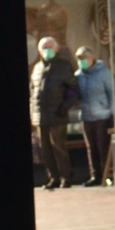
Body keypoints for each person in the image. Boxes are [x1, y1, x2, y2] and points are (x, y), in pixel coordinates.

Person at [31, 38, 78, 189]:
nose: (47, 49)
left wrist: (64, 108)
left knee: (59, 148)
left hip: (57, 115)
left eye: (50, 46)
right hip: (40, 117)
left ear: (56, 49)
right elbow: (33, 91)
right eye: (44, 47)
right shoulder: (37, 68)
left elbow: (73, 90)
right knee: (45, 150)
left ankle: (66, 177)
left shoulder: (63, 66)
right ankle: (53, 178)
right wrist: (33, 112)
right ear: (39, 51)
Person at [75, 45, 115, 186]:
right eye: (79, 59)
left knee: (103, 146)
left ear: (91, 58)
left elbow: (113, 93)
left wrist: (113, 115)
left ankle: (108, 176)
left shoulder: (104, 72)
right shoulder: (78, 75)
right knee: (91, 148)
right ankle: (95, 176)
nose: (81, 62)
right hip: (87, 117)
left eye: (84, 59)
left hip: (102, 116)